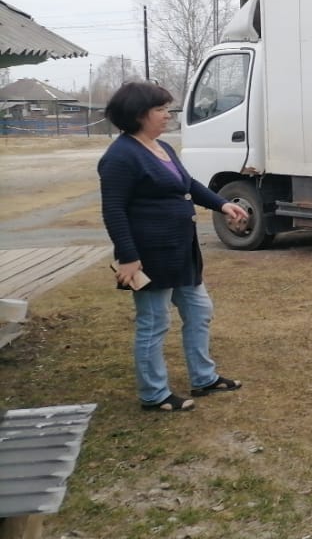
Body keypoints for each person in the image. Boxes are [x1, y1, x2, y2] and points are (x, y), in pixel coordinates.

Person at [98, 81, 249, 412]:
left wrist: (222, 205)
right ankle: (154, 394)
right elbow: (114, 210)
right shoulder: (121, 156)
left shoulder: (161, 147)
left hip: (181, 251)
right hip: (150, 255)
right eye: (161, 109)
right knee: (154, 323)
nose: (168, 115)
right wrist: (128, 258)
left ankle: (204, 377)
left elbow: (189, 185)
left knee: (199, 311)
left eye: (167, 108)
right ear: (139, 114)